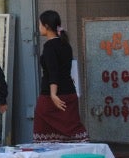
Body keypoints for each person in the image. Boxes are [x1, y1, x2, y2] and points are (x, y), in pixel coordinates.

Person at [33, 10, 89, 143]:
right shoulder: (66, 45)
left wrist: (53, 94)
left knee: (42, 129)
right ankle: (82, 153)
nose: (39, 27)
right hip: (70, 93)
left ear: (46, 26)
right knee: (72, 128)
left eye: (40, 24)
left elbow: (53, 72)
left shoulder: (49, 46)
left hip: (51, 96)